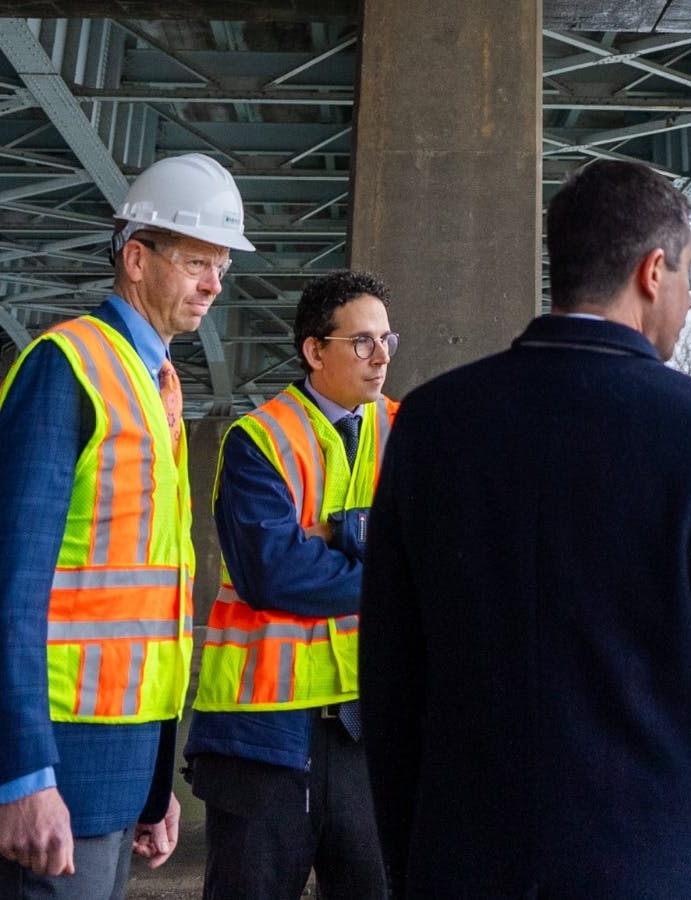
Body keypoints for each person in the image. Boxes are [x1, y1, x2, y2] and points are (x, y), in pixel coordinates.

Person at [358, 159, 691, 899]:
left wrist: (416, 867)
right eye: (688, 274)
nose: (690, 297)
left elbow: (390, 687)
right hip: (664, 873)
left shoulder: (431, 426)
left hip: (464, 871)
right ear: (651, 272)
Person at [0, 152, 255, 898]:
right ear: (136, 258)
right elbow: (5, 584)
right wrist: (21, 777)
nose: (214, 283)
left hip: (114, 765)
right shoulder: (66, 367)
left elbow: (146, 611)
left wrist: (154, 781)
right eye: (198, 260)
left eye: (222, 265)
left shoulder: (153, 384)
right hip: (53, 764)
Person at [183, 271, 397, 899]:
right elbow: (270, 573)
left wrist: (336, 534)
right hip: (264, 734)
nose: (381, 355)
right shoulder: (259, 439)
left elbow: (440, 557)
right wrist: (386, 557)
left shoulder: (407, 430)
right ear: (314, 350)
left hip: (370, 730)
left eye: (387, 339)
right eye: (362, 341)